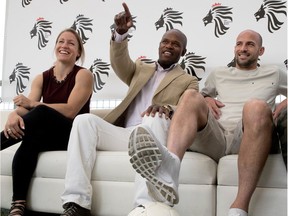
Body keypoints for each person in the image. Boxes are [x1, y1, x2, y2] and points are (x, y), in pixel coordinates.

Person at [128, 29, 287, 216]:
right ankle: (170, 167)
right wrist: (206, 98)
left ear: (261, 51)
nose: (243, 48)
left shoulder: (274, 73)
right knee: (190, 95)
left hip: (250, 134)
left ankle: (239, 208)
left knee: (256, 106)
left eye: (250, 44)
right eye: (239, 44)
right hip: (218, 136)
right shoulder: (219, 73)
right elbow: (202, 95)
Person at [60, 2, 198, 216]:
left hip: (155, 131)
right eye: (165, 41)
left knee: (154, 118)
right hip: (124, 134)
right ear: (159, 45)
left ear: (183, 51)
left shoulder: (189, 80)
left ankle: (144, 206)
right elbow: (119, 63)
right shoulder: (140, 69)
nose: (169, 46)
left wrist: (168, 108)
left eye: (175, 44)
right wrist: (120, 34)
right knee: (83, 121)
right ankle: (76, 203)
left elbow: (188, 109)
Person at [0, 28, 93, 216]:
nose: (64, 46)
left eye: (71, 43)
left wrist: (34, 104)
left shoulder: (84, 75)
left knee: (41, 110)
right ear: (55, 46)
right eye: (61, 41)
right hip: (48, 135)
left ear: (78, 52)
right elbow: (26, 109)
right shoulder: (42, 77)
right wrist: (13, 115)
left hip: (73, 136)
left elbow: (70, 110)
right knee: (30, 140)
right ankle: (18, 205)